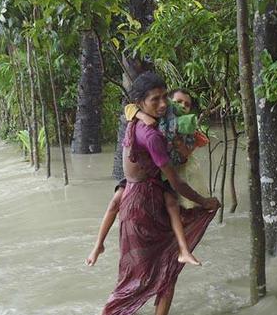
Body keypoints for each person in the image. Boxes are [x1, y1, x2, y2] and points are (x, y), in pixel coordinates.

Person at [81, 72, 220, 315]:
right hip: (145, 203)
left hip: (137, 200)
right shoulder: (153, 135)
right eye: (155, 100)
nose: (163, 104)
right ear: (141, 102)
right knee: (157, 267)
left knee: (135, 272)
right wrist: (205, 202)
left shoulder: (140, 123)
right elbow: (176, 182)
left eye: (163, 97)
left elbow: (131, 111)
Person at [87, 89, 208, 267]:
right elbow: (129, 109)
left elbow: (185, 156)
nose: (182, 106)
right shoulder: (155, 115)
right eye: (179, 102)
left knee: (172, 204)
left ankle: (183, 249)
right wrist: (143, 117)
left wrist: (178, 141)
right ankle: (98, 245)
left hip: (163, 174)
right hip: (140, 174)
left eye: (187, 104)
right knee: (114, 202)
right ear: (169, 102)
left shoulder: (187, 130)